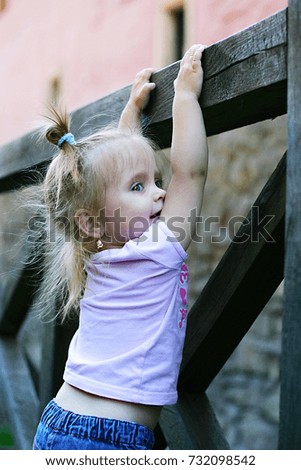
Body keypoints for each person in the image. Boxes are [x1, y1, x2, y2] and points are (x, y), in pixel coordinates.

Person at [33, 44, 208, 450]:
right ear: (92, 221)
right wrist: (184, 96)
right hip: (110, 440)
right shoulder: (156, 250)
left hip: (58, 420)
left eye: (154, 180)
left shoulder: (95, 254)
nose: (162, 193)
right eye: (140, 186)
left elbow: (113, 185)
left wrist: (131, 114)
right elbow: (190, 172)